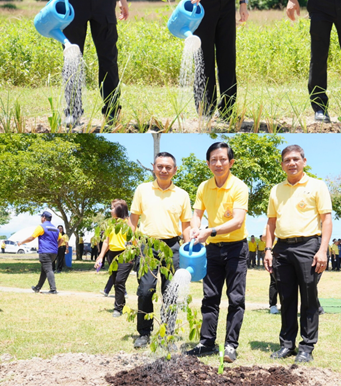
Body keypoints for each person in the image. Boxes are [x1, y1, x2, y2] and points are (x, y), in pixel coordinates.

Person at [264, 144, 332, 363]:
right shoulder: (276, 189)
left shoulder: (317, 185)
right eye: (287, 160)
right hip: (282, 248)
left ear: (304, 161)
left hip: (308, 246)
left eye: (295, 159)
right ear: (282, 164)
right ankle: (287, 345)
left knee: (309, 297)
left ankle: (307, 347)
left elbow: (326, 220)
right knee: (287, 298)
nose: (291, 163)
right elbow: (271, 222)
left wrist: (322, 250)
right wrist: (268, 249)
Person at [186, 142, 250, 363]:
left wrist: (209, 231)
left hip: (236, 248)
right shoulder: (204, 187)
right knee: (210, 297)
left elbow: (238, 220)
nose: (218, 163)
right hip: (213, 249)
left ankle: (231, 345)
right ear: (208, 163)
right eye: (214, 159)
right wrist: (196, 228)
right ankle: (207, 343)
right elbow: (197, 214)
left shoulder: (239, 187)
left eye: (223, 159)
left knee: (236, 298)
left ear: (231, 162)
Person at [129, 152, 193, 349]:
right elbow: (133, 219)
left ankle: (167, 334)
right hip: (147, 246)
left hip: (172, 247)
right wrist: (134, 245)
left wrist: (189, 250)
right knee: (145, 290)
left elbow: (186, 226)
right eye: (160, 166)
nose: (164, 170)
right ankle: (144, 333)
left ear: (175, 170)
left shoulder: (182, 195)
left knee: (170, 293)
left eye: (168, 167)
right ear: (153, 167)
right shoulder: (142, 190)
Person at [94, 199, 134, 317]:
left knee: (119, 280)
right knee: (117, 282)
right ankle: (121, 304)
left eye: (112, 208)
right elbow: (106, 242)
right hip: (112, 255)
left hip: (125, 255)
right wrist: (100, 256)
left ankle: (117, 308)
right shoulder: (111, 224)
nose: (110, 210)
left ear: (119, 210)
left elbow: (133, 240)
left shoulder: (129, 223)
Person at [17, 210, 59, 294]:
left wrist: (22, 242)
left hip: (45, 252)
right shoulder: (55, 228)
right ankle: (37, 288)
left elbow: (32, 237)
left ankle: (53, 289)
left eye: (41, 217)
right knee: (44, 270)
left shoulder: (41, 227)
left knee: (48, 270)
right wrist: (57, 246)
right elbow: (61, 239)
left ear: (44, 218)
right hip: (54, 253)